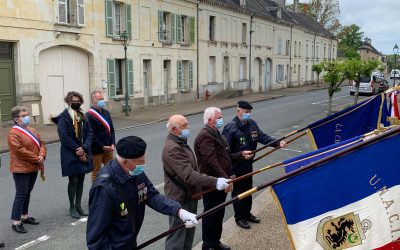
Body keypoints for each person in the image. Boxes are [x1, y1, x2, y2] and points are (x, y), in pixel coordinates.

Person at [86, 136, 198, 249]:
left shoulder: (135, 173)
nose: (144, 164)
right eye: (140, 161)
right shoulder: (104, 188)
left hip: (129, 240)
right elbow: (96, 238)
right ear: (125, 162)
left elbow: (151, 195)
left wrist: (179, 211)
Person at [162, 115, 231, 250]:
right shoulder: (172, 148)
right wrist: (215, 181)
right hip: (179, 198)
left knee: (188, 235)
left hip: (189, 195)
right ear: (174, 129)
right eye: (185, 125)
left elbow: (194, 168)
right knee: (177, 238)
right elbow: (188, 174)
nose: (188, 128)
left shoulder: (181, 142)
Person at [194, 107, 253, 250]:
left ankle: (215, 242)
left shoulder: (215, 133)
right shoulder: (205, 136)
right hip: (213, 183)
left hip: (220, 181)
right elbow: (211, 162)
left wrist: (240, 155)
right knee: (211, 214)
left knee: (219, 213)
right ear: (209, 120)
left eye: (220, 117)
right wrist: (225, 179)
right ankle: (208, 245)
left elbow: (225, 157)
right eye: (218, 117)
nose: (221, 120)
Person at [222, 100, 287, 230]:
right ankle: (239, 217)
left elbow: (263, 137)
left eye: (249, 112)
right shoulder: (231, 128)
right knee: (239, 194)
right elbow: (225, 153)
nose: (248, 114)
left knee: (248, 191)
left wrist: (277, 142)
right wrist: (231, 172)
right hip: (236, 167)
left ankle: (247, 214)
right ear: (238, 111)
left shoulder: (252, 124)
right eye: (246, 112)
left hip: (248, 166)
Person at [52, 91, 93, 219]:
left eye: (78, 101)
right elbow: (64, 136)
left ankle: (79, 205)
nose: (76, 103)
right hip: (70, 153)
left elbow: (89, 133)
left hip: (83, 151)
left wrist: (84, 148)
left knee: (81, 178)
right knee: (73, 179)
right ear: (68, 102)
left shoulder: (83, 116)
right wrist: (77, 149)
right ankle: (72, 207)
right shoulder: (63, 117)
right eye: (73, 101)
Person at [8, 106, 47, 233]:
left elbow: (41, 143)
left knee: (27, 192)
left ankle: (25, 216)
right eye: (23, 115)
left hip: (33, 167)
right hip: (21, 169)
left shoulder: (32, 130)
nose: (26, 117)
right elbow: (19, 151)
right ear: (16, 119)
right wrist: (37, 158)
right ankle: (16, 221)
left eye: (27, 114)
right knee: (20, 194)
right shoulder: (13, 133)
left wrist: (41, 155)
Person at [86, 90, 115, 183]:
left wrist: (113, 143)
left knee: (112, 169)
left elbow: (112, 130)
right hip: (96, 150)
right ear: (92, 101)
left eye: (102, 99)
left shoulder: (106, 113)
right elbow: (91, 135)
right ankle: (96, 193)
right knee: (96, 172)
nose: (102, 101)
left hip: (109, 148)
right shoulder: (89, 116)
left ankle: (109, 190)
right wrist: (102, 146)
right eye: (99, 99)